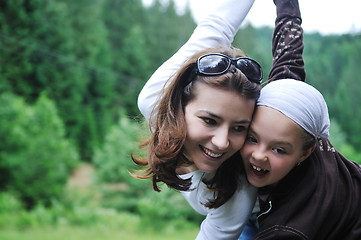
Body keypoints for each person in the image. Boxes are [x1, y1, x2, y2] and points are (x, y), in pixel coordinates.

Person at [133, 0, 262, 239]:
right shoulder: (154, 101)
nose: (222, 143)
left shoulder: (238, 188)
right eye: (210, 121)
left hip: (265, 222)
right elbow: (217, 26)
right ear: (179, 107)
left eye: (239, 128)